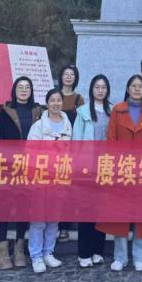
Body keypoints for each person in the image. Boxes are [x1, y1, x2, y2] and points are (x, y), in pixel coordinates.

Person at [97, 74, 142, 272]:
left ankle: (141, 257)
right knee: (120, 214)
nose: (137, 89)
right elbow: (111, 139)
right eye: (133, 86)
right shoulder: (118, 110)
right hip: (122, 168)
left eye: (140, 86)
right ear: (127, 89)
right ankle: (120, 257)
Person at [0, 75, 42, 269]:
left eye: (27, 87)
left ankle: (20, 249)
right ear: (14, 90)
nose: (23, 90)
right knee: (3, 206)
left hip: (31, 166)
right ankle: (3, 251)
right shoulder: (5, 112)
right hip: (8, 166)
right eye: (20, 87)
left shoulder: (38, 111)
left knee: (24, 206)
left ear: (31, 91)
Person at [27, 88, 72, 273]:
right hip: (41, 177)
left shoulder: (67, 124)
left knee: (54, 218)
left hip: (60, 177)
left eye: (59, 100)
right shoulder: (38, 126)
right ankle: (36, 255)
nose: (56, 103)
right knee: (38, 219)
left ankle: (48, 252)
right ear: (47, 103)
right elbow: (30, 151)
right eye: (52, 100)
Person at [72, 74, 113, 268]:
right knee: (86, 210)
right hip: (86, 167)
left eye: (103, 87)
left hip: (105, 166)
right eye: (97, 87)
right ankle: (84, 253)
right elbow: (76, 141)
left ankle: (98, 251)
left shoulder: (113, 110)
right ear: (91, 89)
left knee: (102, 211)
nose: (100, 90)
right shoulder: (82, 112)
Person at [57, 64, 84, 241]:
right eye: (65, 74)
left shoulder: (79, 99)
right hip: (54, 150)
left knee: (67, 190)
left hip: (72, 151)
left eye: (71, 74)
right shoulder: (54, 95)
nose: (68, 77)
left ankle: (64, 227)